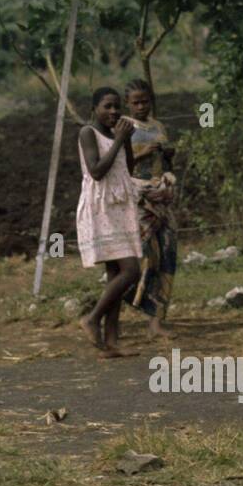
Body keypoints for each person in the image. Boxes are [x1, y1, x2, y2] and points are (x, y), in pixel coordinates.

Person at [76, 86, 143, 357]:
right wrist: (118, 140)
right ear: (95, 109)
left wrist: (125, 140)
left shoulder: (115, 133)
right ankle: (92, 318)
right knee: (131, 270)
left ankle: (112, 342)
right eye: (107, 106)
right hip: (102, 207)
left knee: (117, 273)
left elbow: (127, 166)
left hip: (120, 204)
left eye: (117, 106)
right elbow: (97, 171)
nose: (114, 111)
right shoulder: (87, 133)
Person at [121, 79, 178, 338]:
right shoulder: (122, 128)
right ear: (128, 104)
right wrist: (143, 153)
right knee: (145, 255)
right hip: (138, 200)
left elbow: (165, 164)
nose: (141, 106)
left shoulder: (158, 127)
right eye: (136, 102)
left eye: (145, 101)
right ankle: (126, 299)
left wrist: (168, 159)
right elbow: (118, 166)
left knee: (167, 253)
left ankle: (157, 320)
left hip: (161, 198)